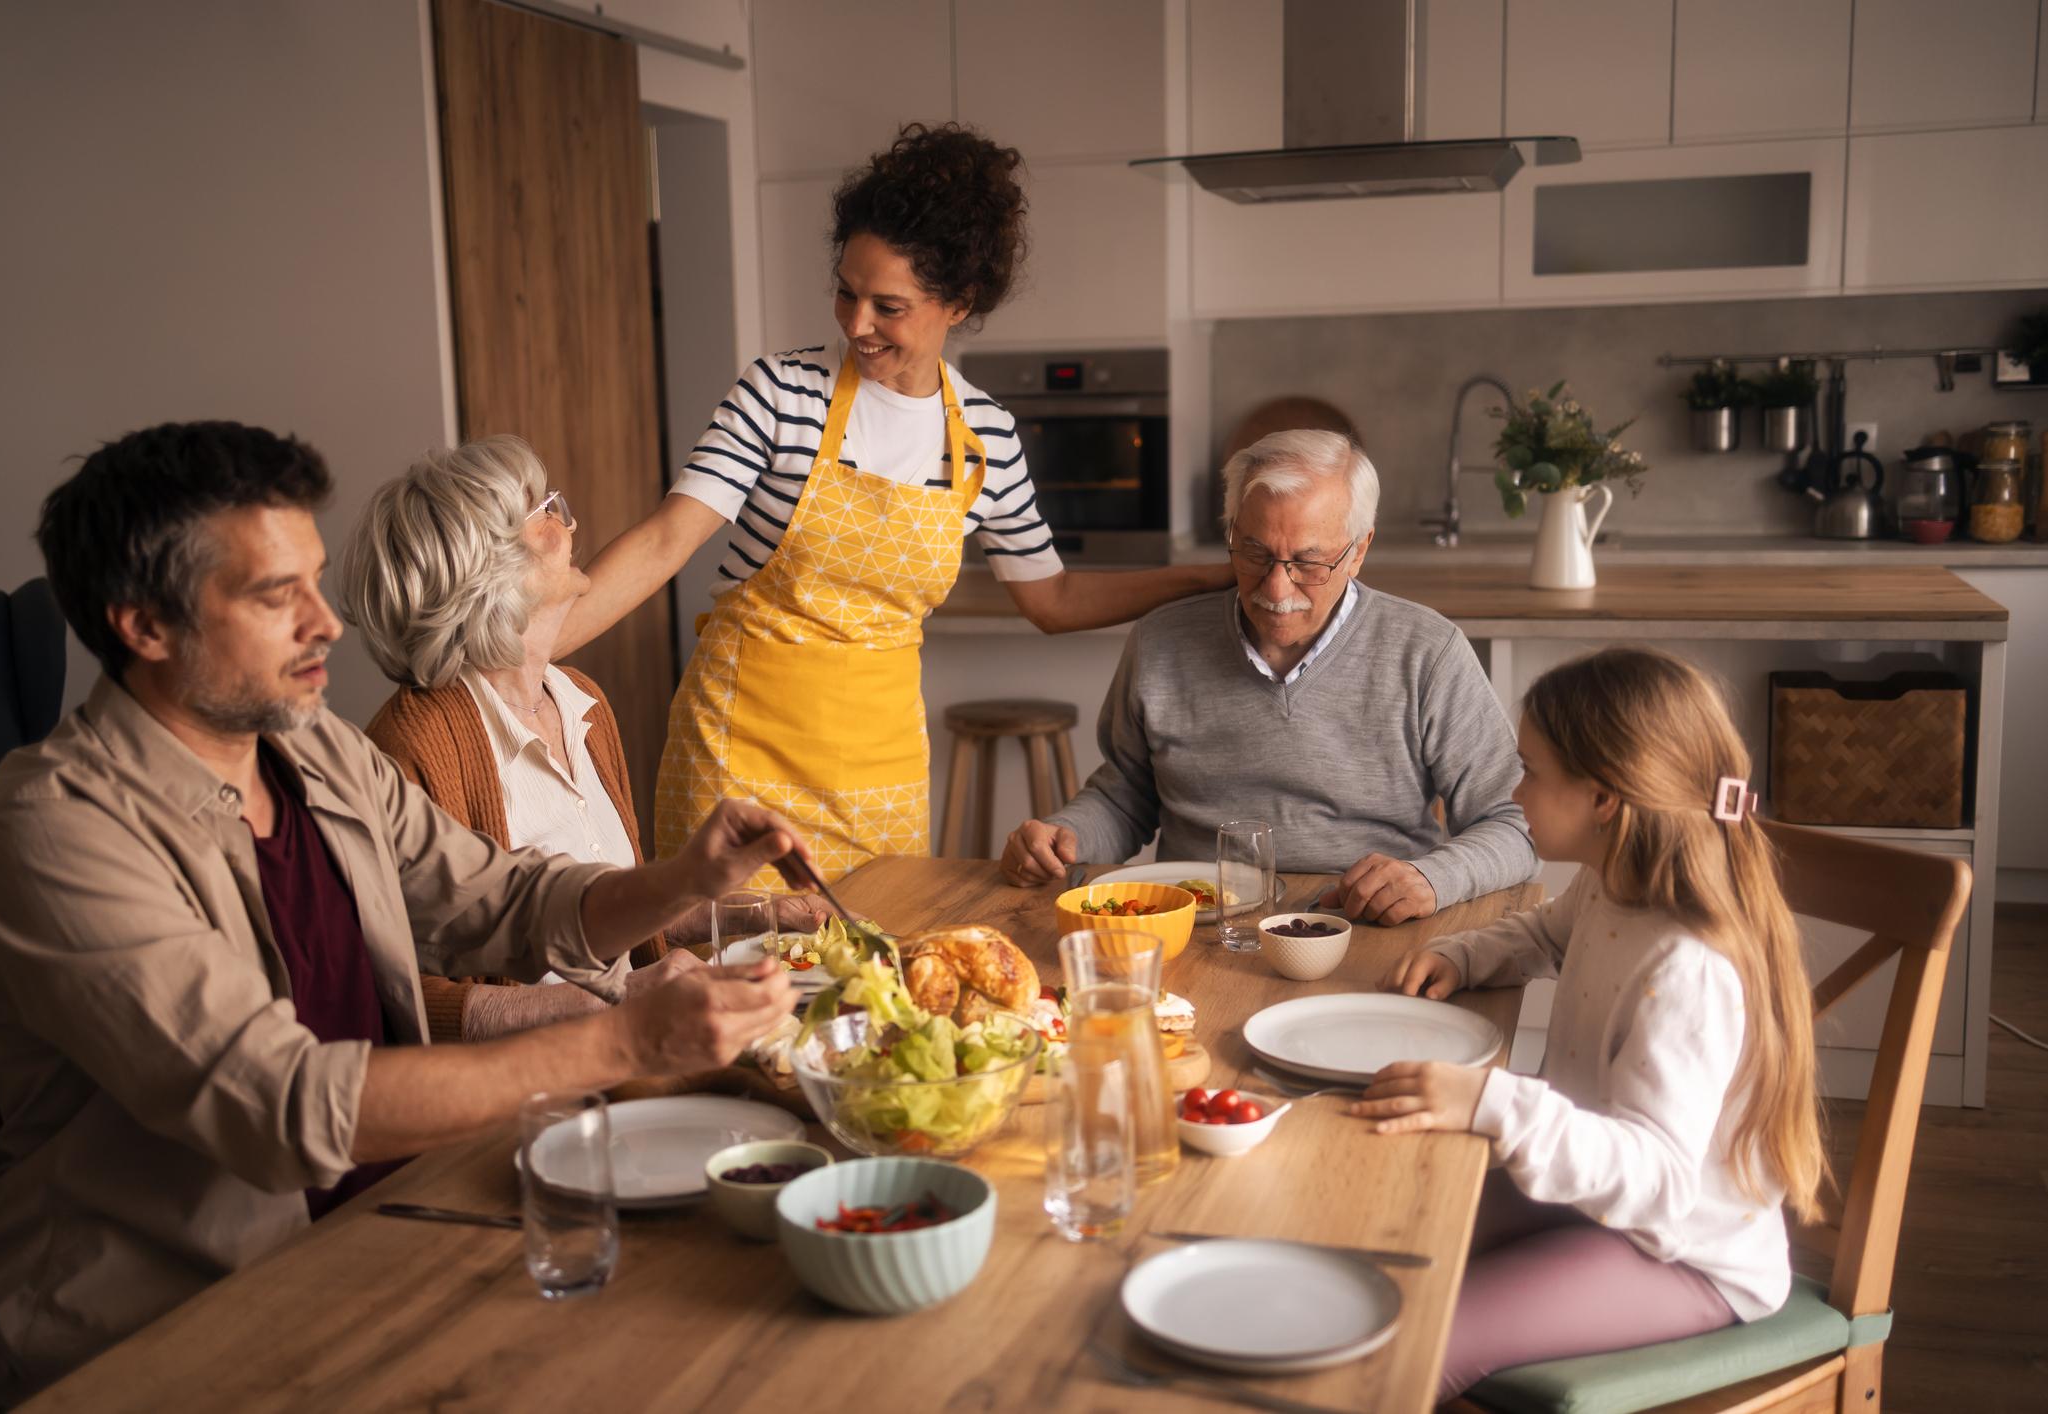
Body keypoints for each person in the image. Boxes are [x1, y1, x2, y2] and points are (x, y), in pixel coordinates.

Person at [0, 422, 808, 1406]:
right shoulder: (49, 836)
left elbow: (501, 896)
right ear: (143, 625)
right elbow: (283, 1104)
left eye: (316, 579)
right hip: (171, 1332)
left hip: (385, 1222)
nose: (330, 624)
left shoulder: (307, 746)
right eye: (277, 595)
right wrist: (621, 1040)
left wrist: (686, 881)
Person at [547, 123, 1232, 880]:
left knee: (873, 974)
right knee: (731, 968)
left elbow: (1053, 599)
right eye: (845, 291)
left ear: (959, 303)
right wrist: (523, 653)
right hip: (735, 746)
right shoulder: (778, 393)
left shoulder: (986, 441)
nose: (855, 323)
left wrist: (1205, 578)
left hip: (881, 769)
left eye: (888, 305)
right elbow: (663, 542)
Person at [1351, 647, 1825, 1399]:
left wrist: (1492, 1102)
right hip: (1592, 1196)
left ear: (1603, 799)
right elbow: (1545, 935)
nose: (1513, 789)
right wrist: (1464, 957)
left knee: (1407, 1342)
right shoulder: (1614, 884)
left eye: (1530, 770)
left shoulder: (1686, 967)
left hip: (1684, 1255)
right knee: (1375, 1233)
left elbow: (1660, 1181)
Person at [339, 436, 827, 1042]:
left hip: (633, 1054)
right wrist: (613, 1003)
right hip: (527, 1088)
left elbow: (602, 915)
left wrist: (744, 916)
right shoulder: (415, 743)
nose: (567, 521)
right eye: (543, 509)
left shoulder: (579, 699)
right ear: (488, 567)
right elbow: (399, 994)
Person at [1000, 428, 1535, 923]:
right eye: (1255, 553)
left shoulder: (1428, 651)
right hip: (1202, 924)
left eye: (1308, 562)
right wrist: (1065, 836)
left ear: (1359, 551)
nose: (1276, 592)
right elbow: (1124, 798)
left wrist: (1431, 877)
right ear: (1232, 533)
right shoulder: (1159, 640)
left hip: (1364, 927)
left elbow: (1515, 824)